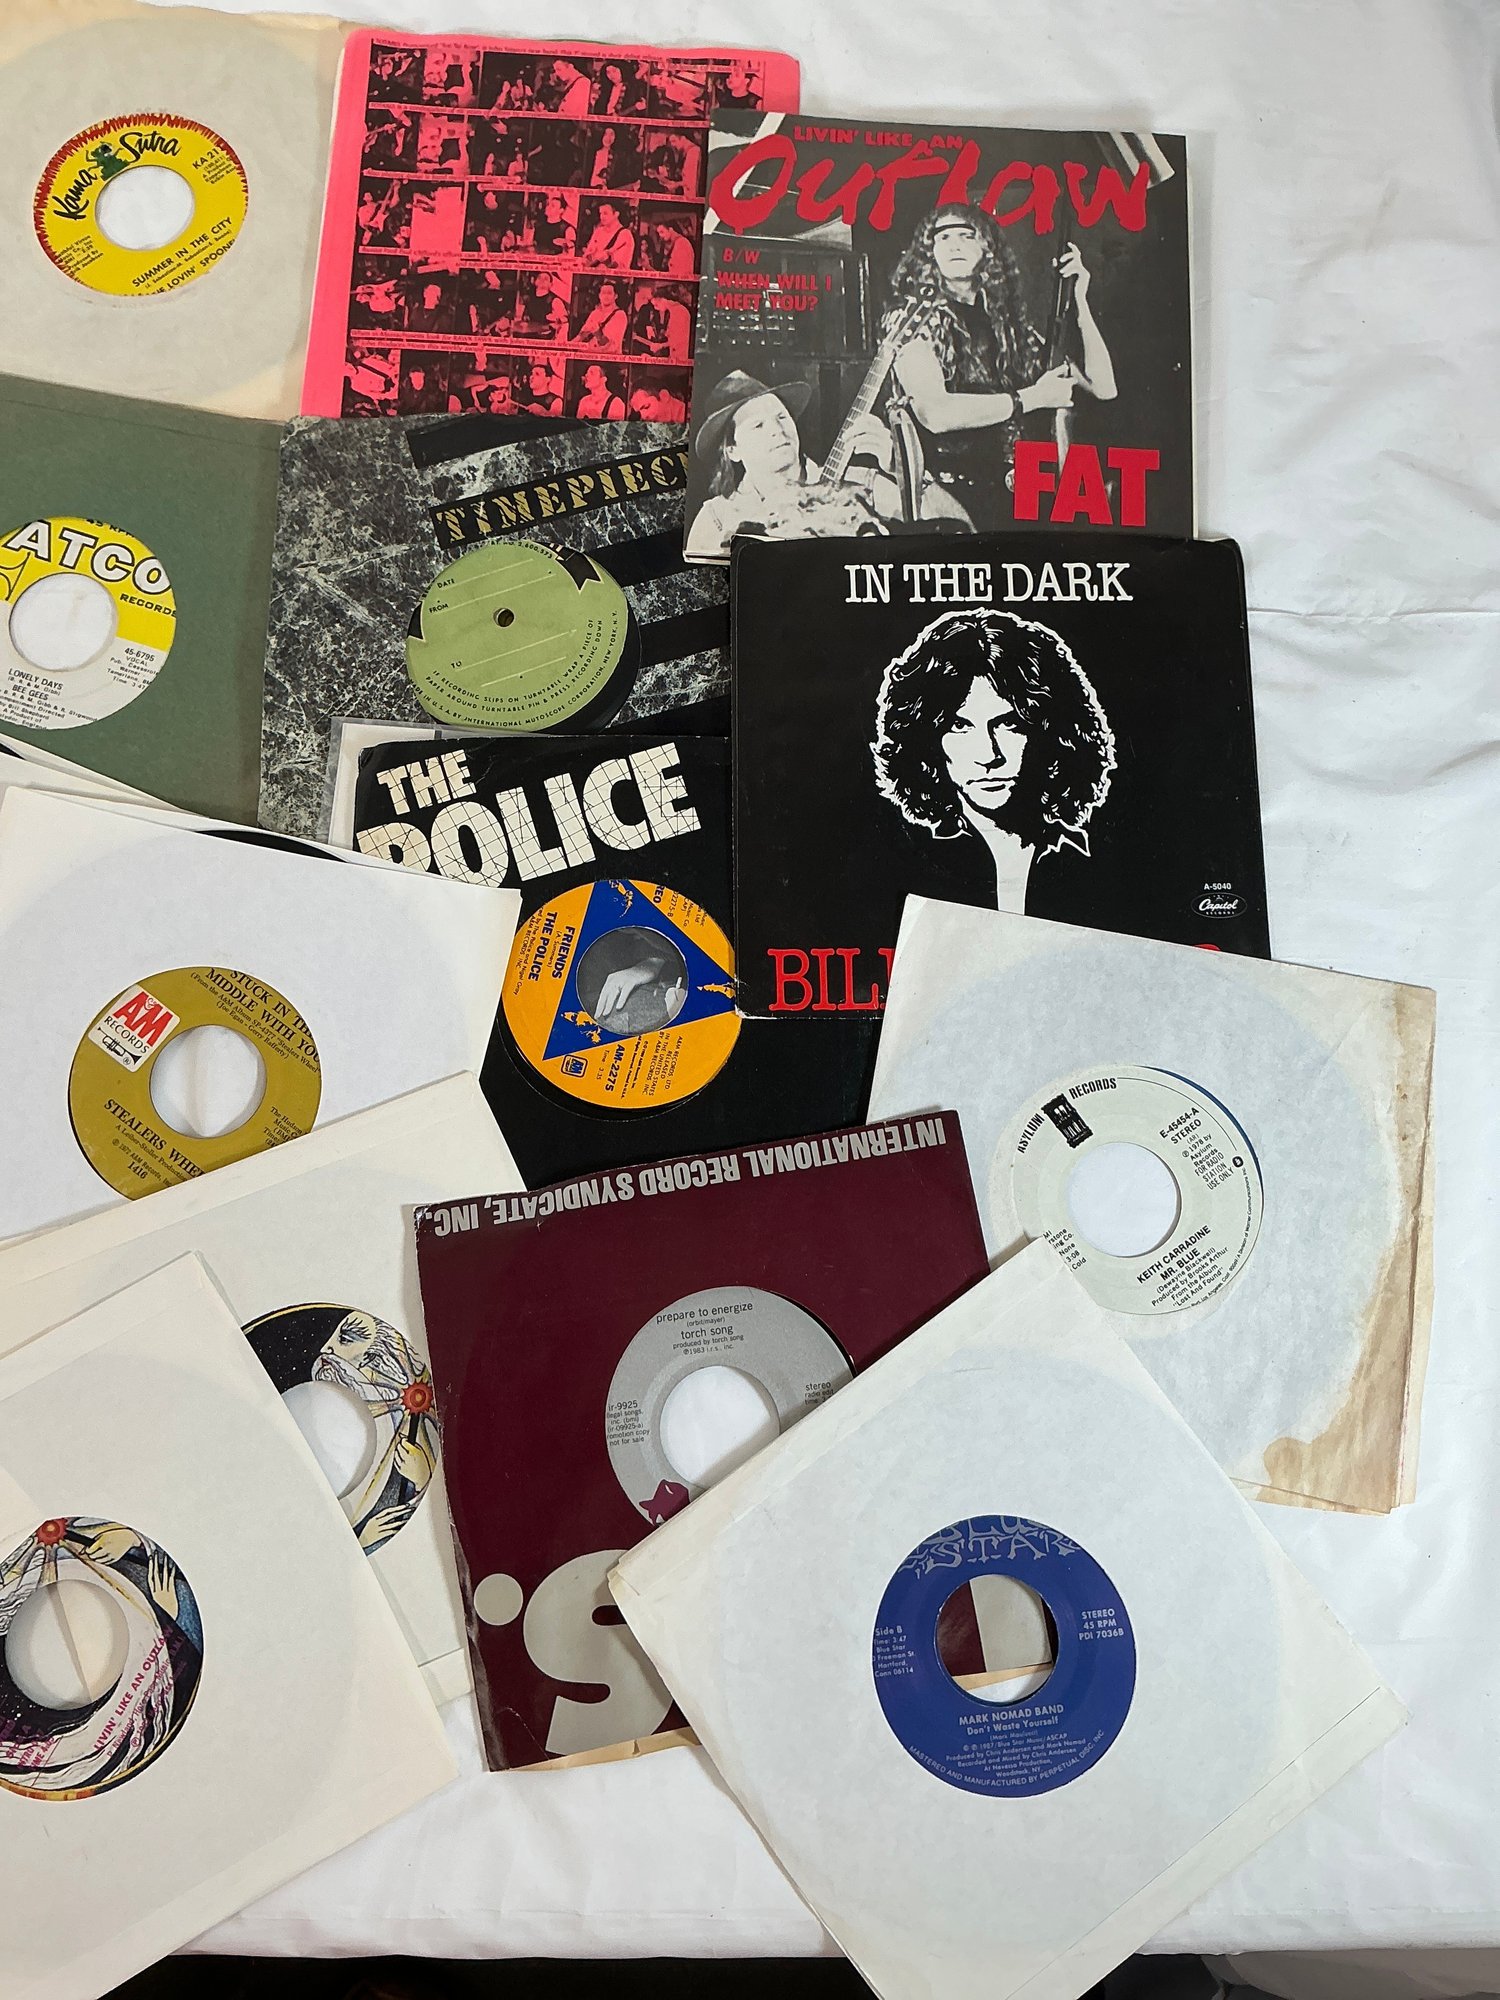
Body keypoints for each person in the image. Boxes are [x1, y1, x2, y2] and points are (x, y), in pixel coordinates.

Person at [884, 203, 1116, 530]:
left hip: (1021, 496)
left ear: (987, 249)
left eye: (967, 235)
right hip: (950, 501)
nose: (954, 245)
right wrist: (1032, 398)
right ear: (929, 251)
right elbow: (935, 414)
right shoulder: (912, 319)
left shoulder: (1008, 325)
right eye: (943, 237)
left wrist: (1080, 301)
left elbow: (1104, 388)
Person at [870, 606, 1115, 912]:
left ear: (1051, 732)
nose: (989, 756)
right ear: (925, 740)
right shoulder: (901, 864)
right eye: (959, 726)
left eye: (1009, 724)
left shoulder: (1093, 861)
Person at [686, 369, 904, 558]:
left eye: (782, 417)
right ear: (733, 450)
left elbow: (925, 514)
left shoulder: (858, 483)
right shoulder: (716, 518)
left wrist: (899, 469)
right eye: (758, 425)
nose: (777, 430)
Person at [574, 279, 628, 349]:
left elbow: (608, 345)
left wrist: (597, 331)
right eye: (603, 293)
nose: (606, 296)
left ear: (615, 296)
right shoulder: (595, 313)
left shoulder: (620, 315)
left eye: (609, 293)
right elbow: (581, 335)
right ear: (599, 296)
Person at [582, 199, 636, 269]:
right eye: (600, 213)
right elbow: (588, 253)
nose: (602, 217)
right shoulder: (598, 231)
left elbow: (618, 264)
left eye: (605, 213)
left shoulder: (625, 234)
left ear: (616, 214)